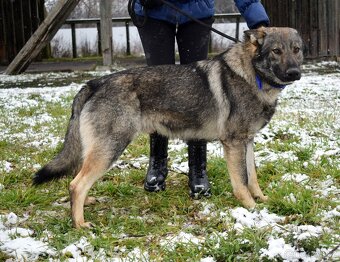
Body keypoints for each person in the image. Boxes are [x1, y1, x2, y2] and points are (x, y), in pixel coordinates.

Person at [130, 0, 270, 198]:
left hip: (196, 10)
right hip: (153, 11)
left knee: (200, 94)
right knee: (157, 92)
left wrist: (258, 21)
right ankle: (157, 166)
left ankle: (197, 170)